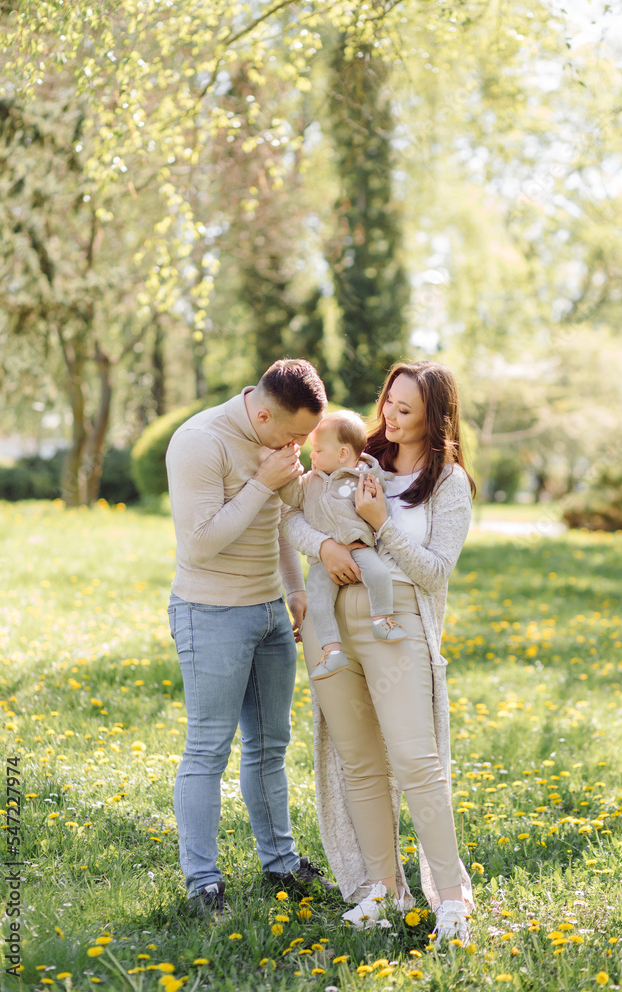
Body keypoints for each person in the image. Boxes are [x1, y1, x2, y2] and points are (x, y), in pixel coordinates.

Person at [281, 360, 476, 946]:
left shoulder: (448, 484)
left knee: (418, 763)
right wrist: (326, 546)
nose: (389, 416)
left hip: (399, 624)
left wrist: (381, 523)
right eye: (389, 401)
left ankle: (450, 901)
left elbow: (436, 573)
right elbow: (290, 514)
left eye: (405, 408)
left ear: (433, 416)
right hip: (330, 620)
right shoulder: (351, 453)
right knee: (359, 762)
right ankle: (383, 890)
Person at [165, 358, 336, 920]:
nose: (298, 447)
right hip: (210, 614)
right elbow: (200, 544)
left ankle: (280, 862)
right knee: (208, 750)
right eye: (292, 435)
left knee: (270, 746)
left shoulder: (276, 439)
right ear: (262, 414)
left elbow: (278, 517)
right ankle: (203, 880)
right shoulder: (199, 443)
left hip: (268, 613)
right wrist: (262, 481)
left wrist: (292, 589)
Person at [279, 409, 407, 682]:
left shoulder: (362, 478)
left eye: (317, 450)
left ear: (342, 454)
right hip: (324, 560)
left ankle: (381, 620)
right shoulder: (308, 482)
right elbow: (288, 496)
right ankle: (331, 650)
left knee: (379, 575)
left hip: (359, 547)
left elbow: (380, 494)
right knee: (318, 599)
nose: (311, 455)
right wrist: (290, 470)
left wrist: (374, 479)